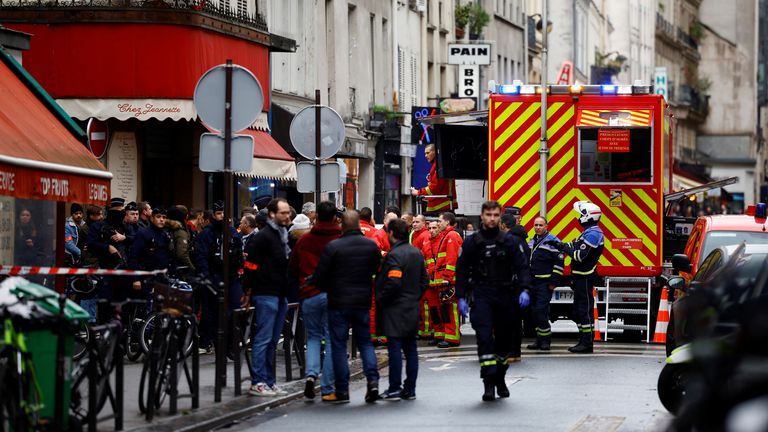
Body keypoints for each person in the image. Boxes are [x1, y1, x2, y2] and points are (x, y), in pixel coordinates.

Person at [455, 200, 531, 401]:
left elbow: (522, 267)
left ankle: (500, 376)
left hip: (505, 295)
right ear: (482, 216)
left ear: (500, 217)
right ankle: (488, 383)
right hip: (482, 295)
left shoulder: (509, 241)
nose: (492, 219)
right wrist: (460, 296)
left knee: (504, 340)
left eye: (496, 215)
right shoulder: (472, 242)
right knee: (484, 338)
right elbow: (461, 269)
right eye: (489, 215)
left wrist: (524, 289)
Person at [312, 210, 382, 404]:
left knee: (338, 346)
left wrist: (329, 286)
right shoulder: (370, 246)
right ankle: (373, 381)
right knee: (365, 343)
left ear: (342, 224)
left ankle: (342, 390)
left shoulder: (334, 246)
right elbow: (377, 268)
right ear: (359, 225)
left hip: (338, 301)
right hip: (362, 300)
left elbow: (320, 276)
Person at [288, 201, 342, 402]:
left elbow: (293, 268)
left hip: (309, 294)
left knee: (312, 338)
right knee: (330, 340)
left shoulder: (305, 240)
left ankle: (311, 375)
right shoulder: (340, 238)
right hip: (334, 295)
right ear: (335, 218)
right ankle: (327, 387)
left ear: (316, 216)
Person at [243, 198, 291, 397]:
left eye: (288, 213)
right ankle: (258, 381)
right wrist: (248, 291)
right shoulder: (264, 237)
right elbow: (250, 265)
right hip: (266, 292)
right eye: (283, 213)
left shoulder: (282, 235)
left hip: (280, 293)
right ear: (272, 214)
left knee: (272, 340)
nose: (287, 216)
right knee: (263, 339)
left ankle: (269, 381)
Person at [376, 218, 428, 401]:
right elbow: (424, 281)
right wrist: (414, 297)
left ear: (391, 234)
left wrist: (382, 298)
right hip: (412, 307)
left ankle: (394, 387)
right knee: (411, 350)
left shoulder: (394, 255)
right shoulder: (417, 253)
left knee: (395, 349)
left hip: (395, 309)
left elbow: (394, 282)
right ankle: (410, 388)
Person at [548, 201, 604, 354]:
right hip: (580, 277)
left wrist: (563, 247)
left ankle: (586, 343)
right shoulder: (589, 232)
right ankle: (583, 340)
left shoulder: (593, 234)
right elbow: (575, 246)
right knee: (577, 310)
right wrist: (562, 244)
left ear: (587, 216)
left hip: (585, 278)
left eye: (581, 215)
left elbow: (579, 255)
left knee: (583, 310)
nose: (579, 218)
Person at [195, 200, 244, 354]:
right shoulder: (206, 234)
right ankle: (215, 343)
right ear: (213, 216)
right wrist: (207, 276)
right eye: (219, 213)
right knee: (214, 313)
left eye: (224, 213)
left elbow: (238, 251)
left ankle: (231, 343)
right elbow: (201, 257)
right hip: (214, 277)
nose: (222, 216)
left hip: (232, 277)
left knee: (235, 309)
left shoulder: (232, 232)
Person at [526, 216, 564, 351]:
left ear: (546, 226)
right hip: (532, 282)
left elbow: (559, 263)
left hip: (545, 283)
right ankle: (539, 339)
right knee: (534, 313)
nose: (538, 227)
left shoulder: (553, 241)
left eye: (540, 225)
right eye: (536, 225)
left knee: (540, 311)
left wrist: (554, 282)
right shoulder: (532, 241)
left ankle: (545, 341)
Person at [433, 211, 463, 347]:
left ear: (447, 222)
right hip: (446, 279)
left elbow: (452, 259)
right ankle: (448, 335)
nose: (438, 224)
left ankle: (453, 338)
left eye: (440, 221)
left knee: (451, 309)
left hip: (450, 280)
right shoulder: (446, 236)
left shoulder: (451, 236)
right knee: (446, 309)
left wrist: (447, 277)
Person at [128, 207, 172, 299]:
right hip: (146, 277)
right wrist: (135, 279)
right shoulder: (143, 233)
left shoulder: (165, 235)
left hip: (161, 278)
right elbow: (133, 257)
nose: (161, 219)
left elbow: (168, 256)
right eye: (158, 217)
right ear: (152, 218)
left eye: (164, 217)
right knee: (145, 308)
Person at [409, 144, 457, 214]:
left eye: (428, 153)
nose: (425, 156)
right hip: (442, 206)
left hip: (442, 207)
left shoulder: (438, 166)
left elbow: (434, 187)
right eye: (425, 153)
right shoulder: (438, 165)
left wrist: (418, 192)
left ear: (435, 152)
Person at [419, 220, 442, 341]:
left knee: (442, 310)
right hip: (430, 282)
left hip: (441, 282)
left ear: (439, 228)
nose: (432, 231)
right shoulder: (427, 244)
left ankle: (442, 333)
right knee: (433, 309)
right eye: (430, 228)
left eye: (434, 228)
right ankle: (437, 333)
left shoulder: (442, 242)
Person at [166, 206, 195, 274]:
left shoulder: (166, 228)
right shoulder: (180, 231)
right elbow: (182, 254)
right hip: (178, 268)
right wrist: (192, 268)